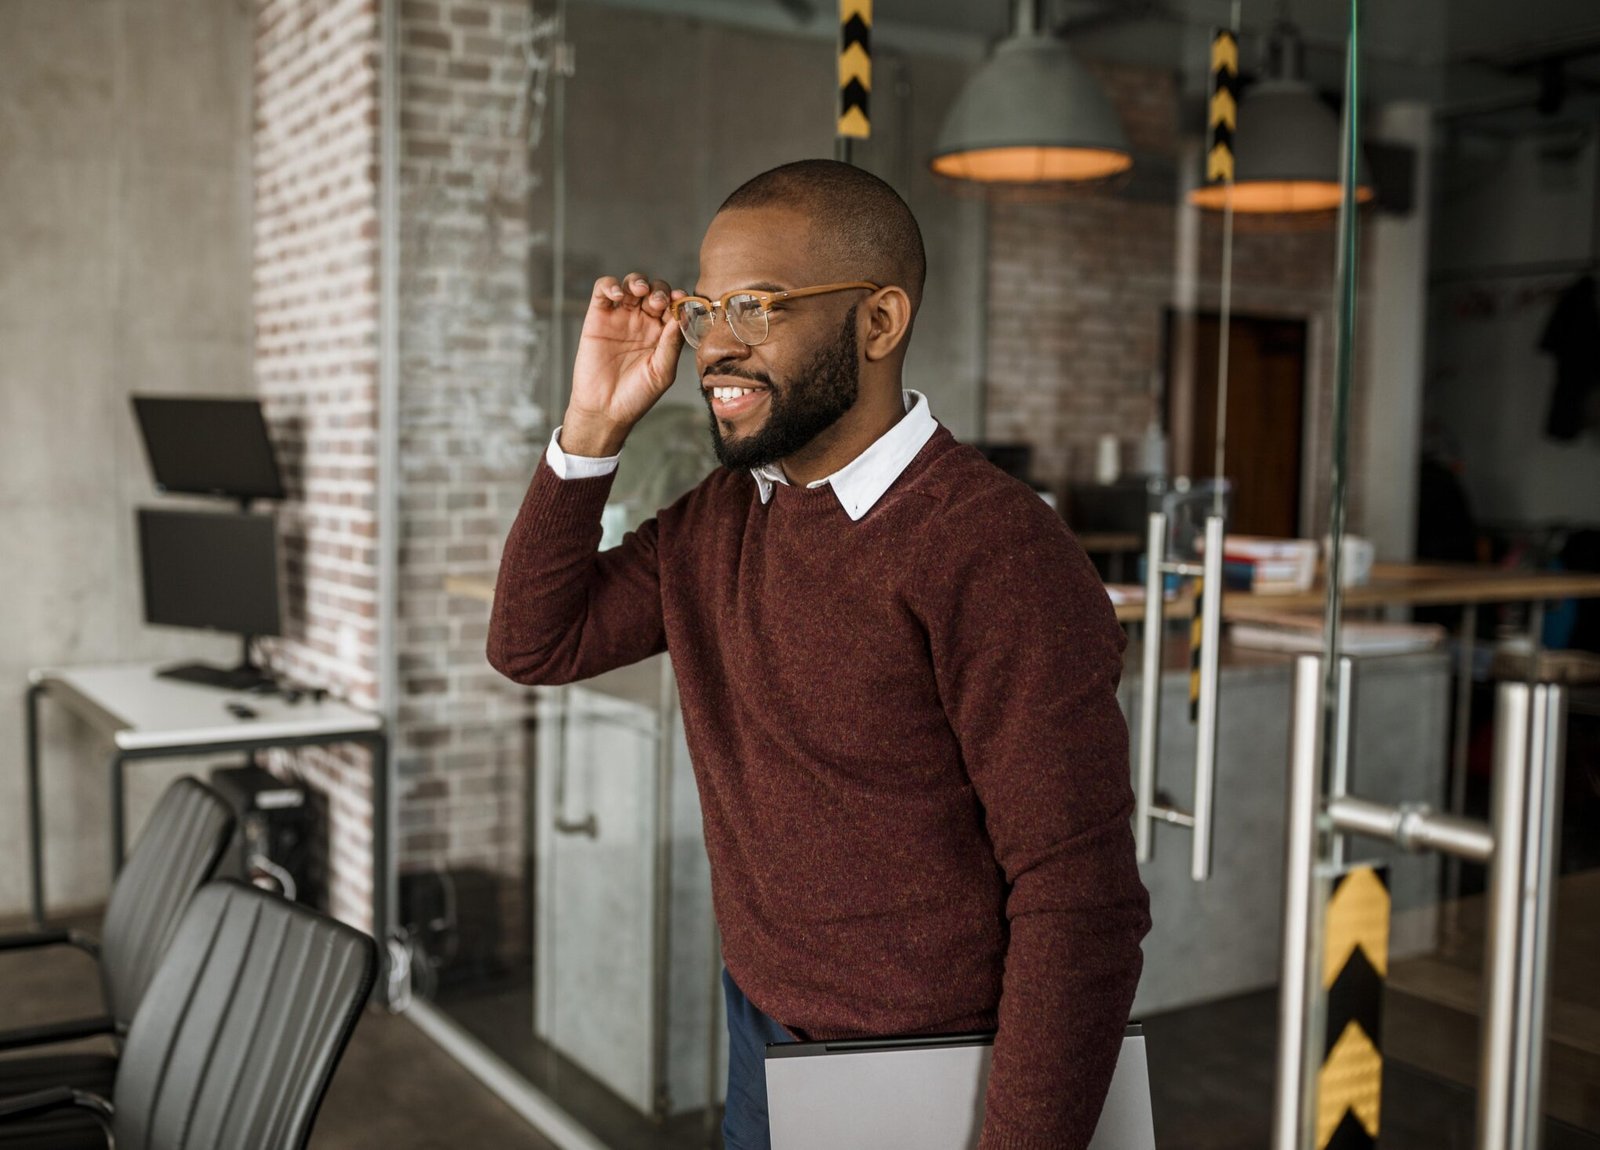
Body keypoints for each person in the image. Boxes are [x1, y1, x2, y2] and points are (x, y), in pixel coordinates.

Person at [488, 158, 1150, 1150]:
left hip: (944, 1073)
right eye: (709, 307)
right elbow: (535, 641)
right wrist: (592, 425)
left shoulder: (996, 549)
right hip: (764, 1033)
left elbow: (1079, 899)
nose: (715, 347)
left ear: (878, 323)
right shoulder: (722, 519)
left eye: (757, 307)